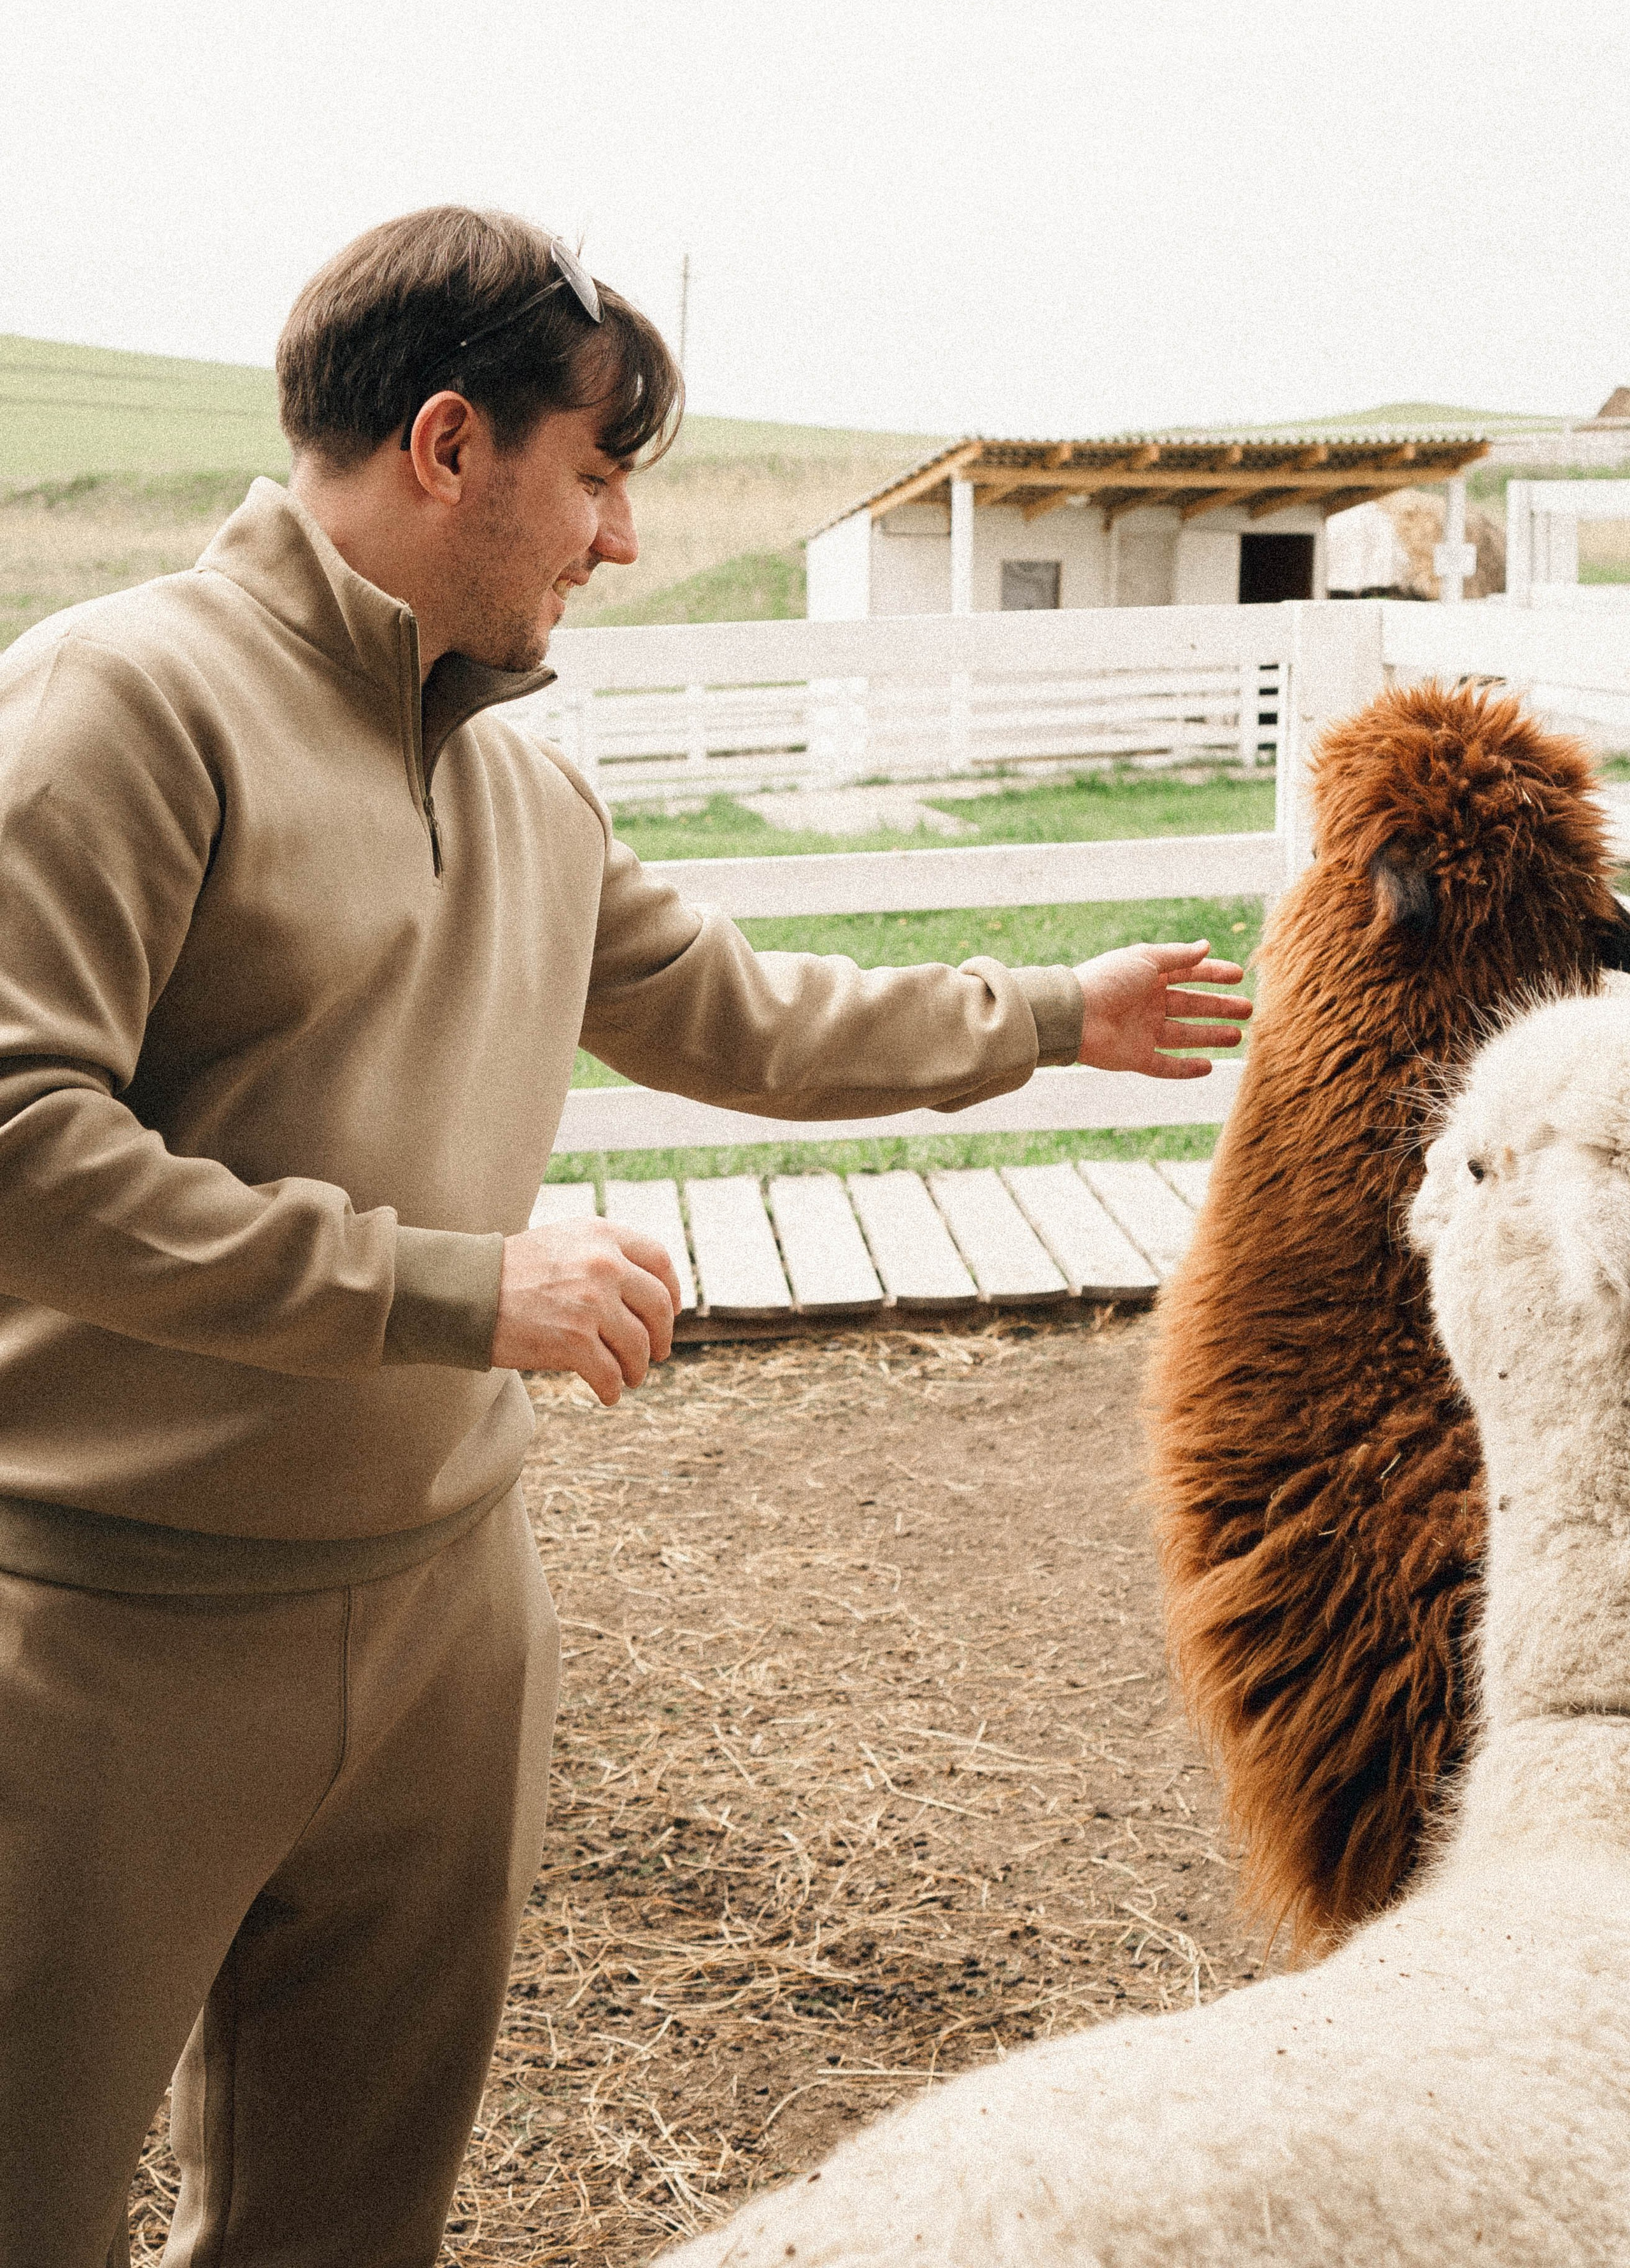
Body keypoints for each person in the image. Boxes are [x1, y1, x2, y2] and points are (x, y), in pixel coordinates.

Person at [0, 206, 1251, 2267]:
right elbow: (24, 1142)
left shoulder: (523, 786)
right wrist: (460, 1289)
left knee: (347, 2226)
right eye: (599, 474)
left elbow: (746, 1014)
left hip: (445, 1625)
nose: (624, 538)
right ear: (444, 447)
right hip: (114, 1630)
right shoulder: (121, 704)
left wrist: (1050, 1016)